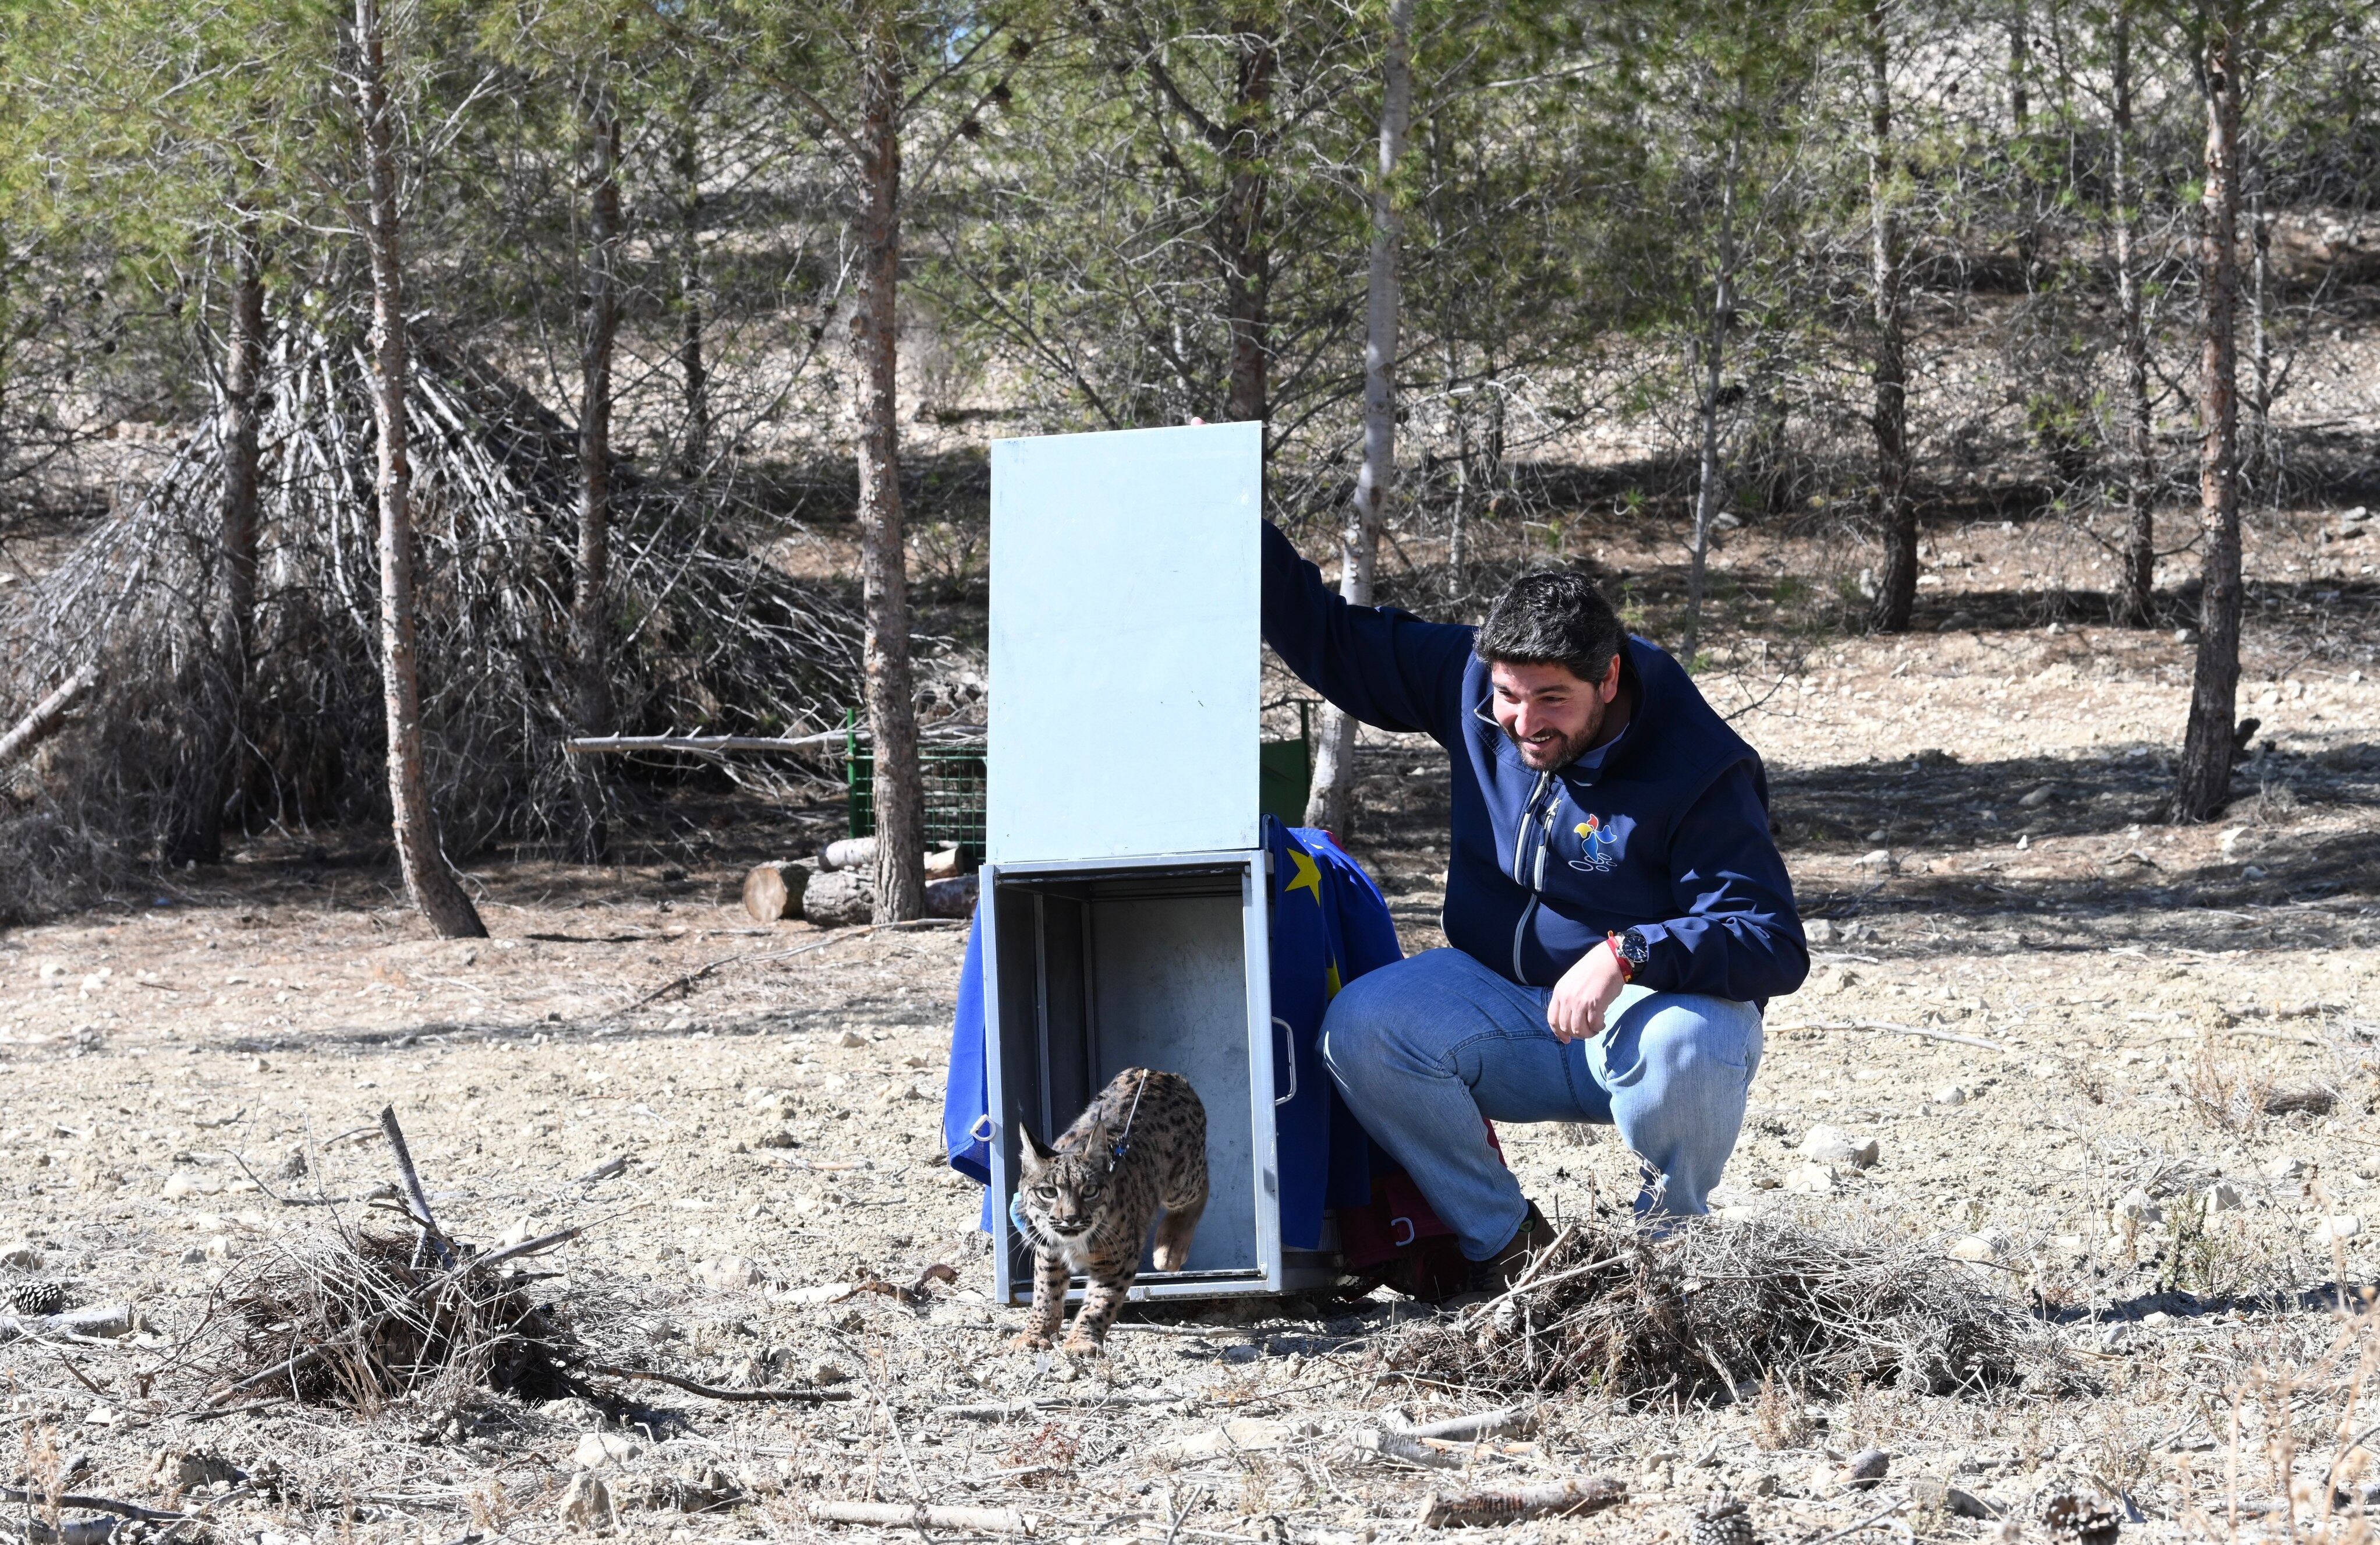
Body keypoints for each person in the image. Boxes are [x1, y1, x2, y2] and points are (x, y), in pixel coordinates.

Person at [1262, 522, 1807, 1293]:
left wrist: (1628, 951)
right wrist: (1239, 526)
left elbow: (1771, 939)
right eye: (1510, 697)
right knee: (1363, 1028)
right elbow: (1332, 641)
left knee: (1695, 1042)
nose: (1524, 721)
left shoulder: (1696, 765)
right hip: (1509, 1009)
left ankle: (1667, 1260)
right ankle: (1516, 1251)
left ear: (1609, 679)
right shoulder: (1467, 679)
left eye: (1553, 699)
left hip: (1645, 1021)